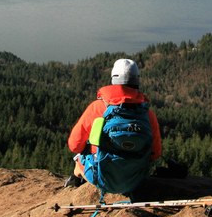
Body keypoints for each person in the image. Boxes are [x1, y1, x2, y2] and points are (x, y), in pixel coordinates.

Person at [65, 58, 162, 193]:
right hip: (135, 180)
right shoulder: (147, 114)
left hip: (101, 177)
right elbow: (155, 153)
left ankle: (76, 179)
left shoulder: (98, 108)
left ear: (113, 79)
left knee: (79, 157)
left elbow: (74, 145)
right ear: (137, 81)